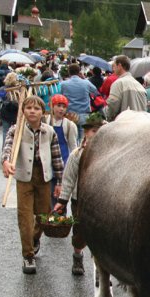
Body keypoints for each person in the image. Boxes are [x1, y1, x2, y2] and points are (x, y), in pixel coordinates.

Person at [1, 95, 64, 274]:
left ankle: (35, 239)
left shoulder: (49, 131)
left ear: (42, 112)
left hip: (44, 177)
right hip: (24, 177)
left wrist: (59, 181)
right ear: (23, 111)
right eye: (29, 108)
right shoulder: (16, 130)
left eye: (36, 109)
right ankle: (28, 255)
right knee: (25, 217)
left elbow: (57, 157)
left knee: (44, 216)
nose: (32, 112)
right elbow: (8, 148)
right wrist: (6, 161)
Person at [52, 112, 107, 276]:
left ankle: (101, 269)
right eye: (93, 131)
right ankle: (77, 255)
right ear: (86, 133)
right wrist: (62, 201)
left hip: (101, 200)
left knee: (100, 234)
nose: (97, 135)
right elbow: (68, 179)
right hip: (80, 200)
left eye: (101, 131)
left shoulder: (109, 155)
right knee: (80, 232)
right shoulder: (77, 154)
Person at [45, 94, 78, 206]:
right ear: (52, 106)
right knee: (46, 196)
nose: (61, 109)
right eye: (58, 105)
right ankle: (46, 220)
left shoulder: (70, 125)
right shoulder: (45, 122)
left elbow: (74, 148)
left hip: (62, 164)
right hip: (46, 162)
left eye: (64, 106)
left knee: (58, 196)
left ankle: (59, 220)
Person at [104, 55, 147, 121]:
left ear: (119, 65)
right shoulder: (139, 85)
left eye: (114, 66)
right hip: (139, 125)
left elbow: (112, 106)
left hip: (124, 125)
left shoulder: (118, 83)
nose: (113, 69)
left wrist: (104, 115)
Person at [60, 63, 99, 132]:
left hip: (69, 114)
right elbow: (96, 92)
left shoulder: (63, 84)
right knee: (83, 138)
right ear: (79, 72)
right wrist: (84, 78)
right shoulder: (86, 83)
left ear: (69, 72)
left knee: (71, 138)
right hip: (84, 114)